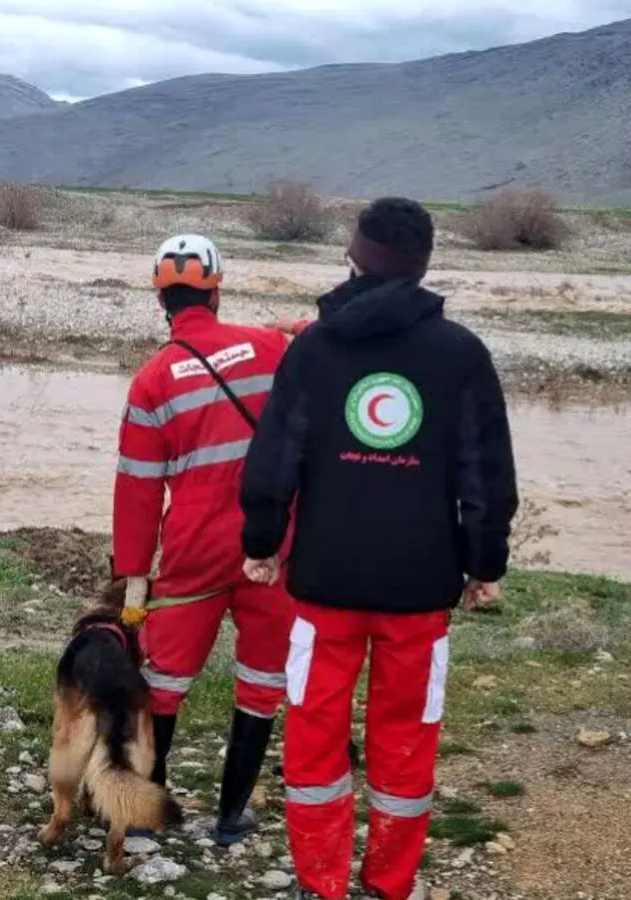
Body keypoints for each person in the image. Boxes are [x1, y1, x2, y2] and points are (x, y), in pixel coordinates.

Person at [237, 197, 519, 900]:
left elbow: (275, 459)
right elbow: (486, 473)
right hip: (420, 589)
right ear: (424, 265)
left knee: (314, 738)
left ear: (355, 258)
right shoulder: (460, 354)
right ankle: (389, 883)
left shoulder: (314, 348)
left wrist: (262, 543)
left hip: (325, 584)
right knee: (406, 739)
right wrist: (485, 563)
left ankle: (320, 882)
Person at [112, 234, 297, 845]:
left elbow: (137, 491)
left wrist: (135, 577)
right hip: (271, 544)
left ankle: (142, 818)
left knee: (163, 683)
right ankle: (231, 815)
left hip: (193, 550)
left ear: (161, 299)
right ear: (218, 291)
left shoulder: (152, 381)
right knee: (263, 677)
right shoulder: (270, 347)